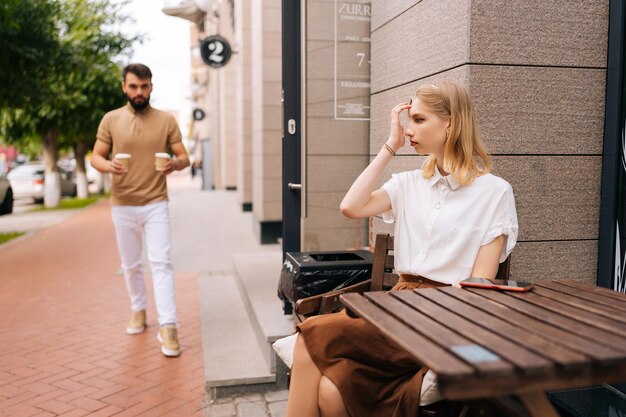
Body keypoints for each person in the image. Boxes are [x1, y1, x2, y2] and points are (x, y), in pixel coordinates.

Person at [285, 80, 518, 417]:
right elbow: (351, 206)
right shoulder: (409, 183)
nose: (410, 130)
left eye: (420, 120)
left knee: (310, 337)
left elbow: (480, 284)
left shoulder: (494, 192)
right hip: (397, 304)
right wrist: (389, 147)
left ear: (450, 122)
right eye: (409, 121)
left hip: (448, 315)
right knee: (330, 391)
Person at [91, 63, 190, 357]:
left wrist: (175, 163)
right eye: (133, 86)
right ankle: (138, 309)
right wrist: (109, 166)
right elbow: (96, 156)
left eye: (144, 86)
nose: (139, 92)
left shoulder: (166, 120)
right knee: (131, 264)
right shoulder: (110, 119)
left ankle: (169, 327)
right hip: (122, 204)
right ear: (124, 86)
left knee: (161, 262)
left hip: (156, 202)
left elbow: (184, 156)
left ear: (151, 87)